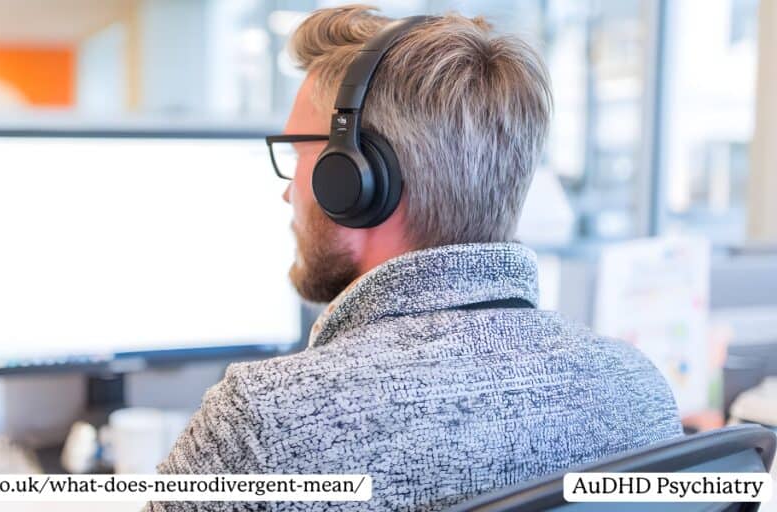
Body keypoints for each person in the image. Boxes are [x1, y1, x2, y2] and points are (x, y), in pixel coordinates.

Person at [152, 6, 682, 511]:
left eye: (298, 156)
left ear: (355, 182)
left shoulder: (264, 420)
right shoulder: (639, 390)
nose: (289, 193)